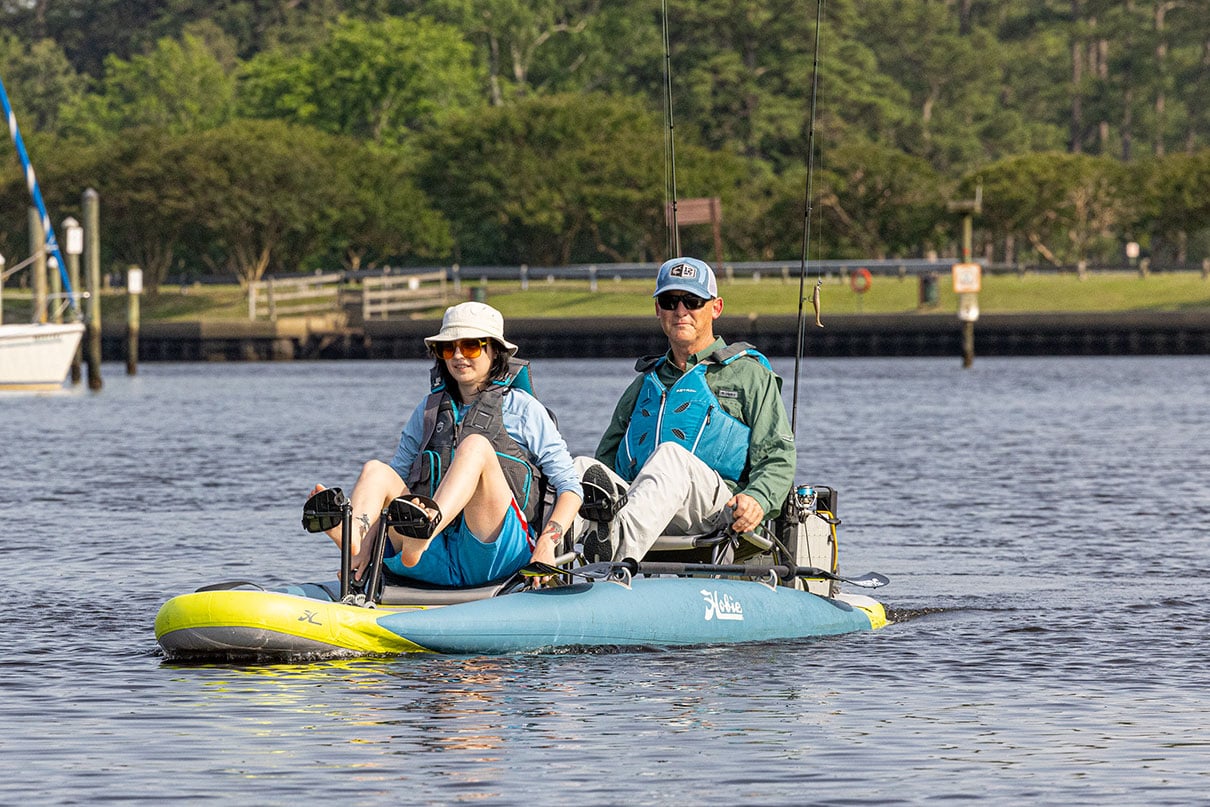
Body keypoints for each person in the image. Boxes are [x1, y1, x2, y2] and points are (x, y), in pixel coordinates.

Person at [310, 301, 582, 588]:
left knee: (475, 446)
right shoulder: (427, 412)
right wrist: (366, 551)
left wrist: (547, 544)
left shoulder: (523, 409)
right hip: (428, 556)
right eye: (448, 348)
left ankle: (423, 531)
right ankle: (354, 537)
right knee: (376, 471)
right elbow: (392, 490)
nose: (458, 356)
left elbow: (570, 487)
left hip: (493, 555)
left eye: (471, 346)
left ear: (495, 351)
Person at [575, 256, 796, 564]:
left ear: (715, 308)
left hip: (718, 511)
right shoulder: (644, 383)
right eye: (669, 301)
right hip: (644, 505)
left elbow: (778, 457)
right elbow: (605, 465)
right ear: (658, 310)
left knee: (671, 458)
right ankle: (544, 567)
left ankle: (611, 561)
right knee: (580, 469)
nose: (681, 311)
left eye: (692, 301)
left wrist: (757, 498)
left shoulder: (749, 375)